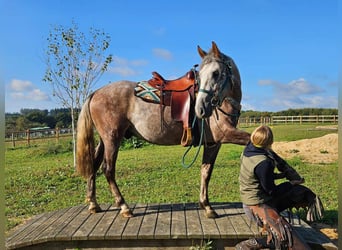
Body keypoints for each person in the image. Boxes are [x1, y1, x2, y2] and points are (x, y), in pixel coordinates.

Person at [235, 125, 324, 250]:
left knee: (303, 192)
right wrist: (290, 184)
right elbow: (272, 191)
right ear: (270, 142)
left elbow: (262, 178)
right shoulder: (263, 162)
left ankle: (312, 220)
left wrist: (284, 176)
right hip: (257, 207)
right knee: (289, 239)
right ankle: (254, 242)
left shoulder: (249, 149)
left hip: (260, 200)